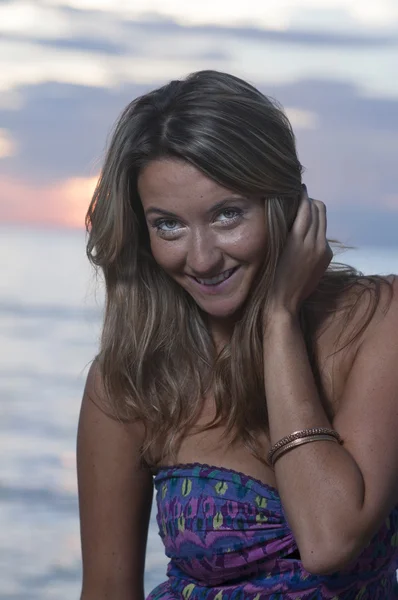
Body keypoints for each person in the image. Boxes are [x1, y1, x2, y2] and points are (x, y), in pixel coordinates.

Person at [77, 70, 398, 600]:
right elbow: (108, 590)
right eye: (168, 225)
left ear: (288, 206)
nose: (201, 259)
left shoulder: (377, 320)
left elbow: (328, 538)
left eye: (228, 215)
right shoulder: (129, 382)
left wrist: (279, 319)